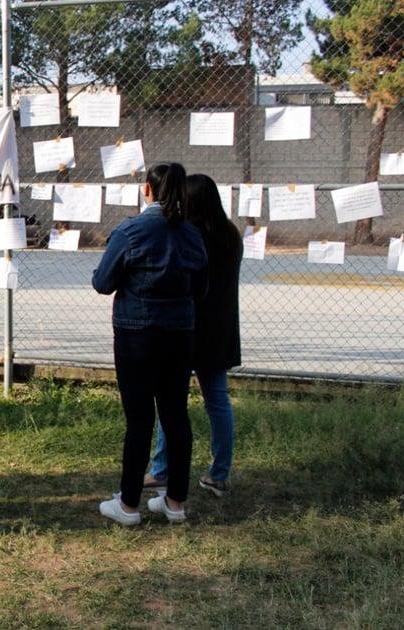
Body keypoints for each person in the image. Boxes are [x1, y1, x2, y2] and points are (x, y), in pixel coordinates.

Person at [92, 162, 208, 526]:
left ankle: (128, 505)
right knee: (176, 415)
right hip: (180, 333)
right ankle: (175, 502)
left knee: (139, 418)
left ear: (147, 190)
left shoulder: (131, 231)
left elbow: (103, 282)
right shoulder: (192, 234)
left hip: (136, 334)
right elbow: (201, 289)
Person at [145, 173, 243, 497]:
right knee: (218, 399)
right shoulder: (230, 235)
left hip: (186, 326)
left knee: (171, 399)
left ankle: (161, 468)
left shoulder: (188, 235)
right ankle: (220, 473)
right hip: (221, 328)